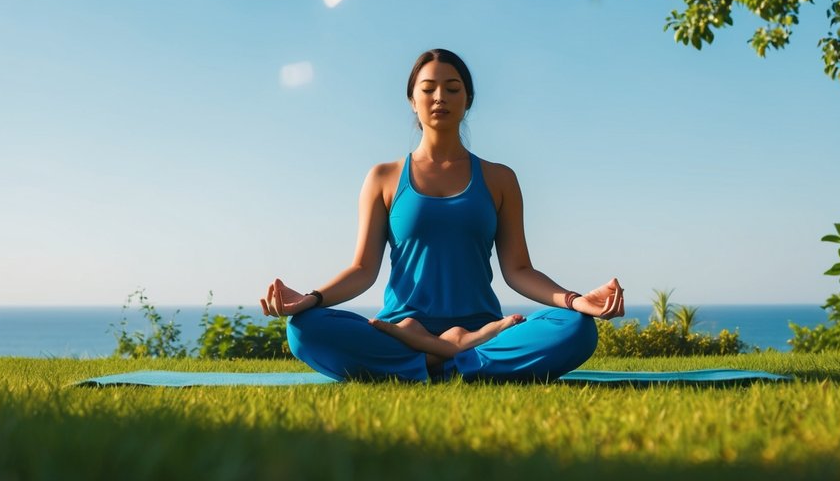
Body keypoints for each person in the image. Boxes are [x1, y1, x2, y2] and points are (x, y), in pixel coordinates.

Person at [260, 48, 625, 382]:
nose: (439, 98)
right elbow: (362, 270)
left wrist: (575, 301)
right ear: (412, 100)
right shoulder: (383, 178)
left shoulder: (500, 179)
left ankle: (435, 358)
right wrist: (310, 299)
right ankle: (457, 356)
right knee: (304, 328)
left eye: (452, 88)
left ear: (467, 100)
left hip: (482, 330)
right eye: (428, 88)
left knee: (575, 328)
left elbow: (519, 270)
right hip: (401, 331)